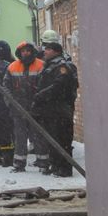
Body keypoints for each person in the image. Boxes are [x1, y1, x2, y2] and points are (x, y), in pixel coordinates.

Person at [32, 31, 78, 177]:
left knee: (62, 138)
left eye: (48, 49)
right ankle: (55, 165)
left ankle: (64, 168)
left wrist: (41, 95)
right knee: (52, 138)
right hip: (50, 110)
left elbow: (59, 85)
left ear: (56, 52)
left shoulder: (62, 66)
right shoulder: (48, 65)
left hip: (60, 109)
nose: (45, 51)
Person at [3, 41, 44, 172]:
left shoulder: (40, 65)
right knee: (20, 136)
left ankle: (43, 162)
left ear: (32, 51)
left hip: (36, 107)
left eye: (28, 50)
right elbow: (6, 87)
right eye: (23, 51)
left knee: (39, 135)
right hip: (18, 108)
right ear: (19, 53)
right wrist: (11, 102)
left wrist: (38, 102)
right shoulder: (12, 67)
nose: (25, 53)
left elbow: (44, 86)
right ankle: (19, 164)